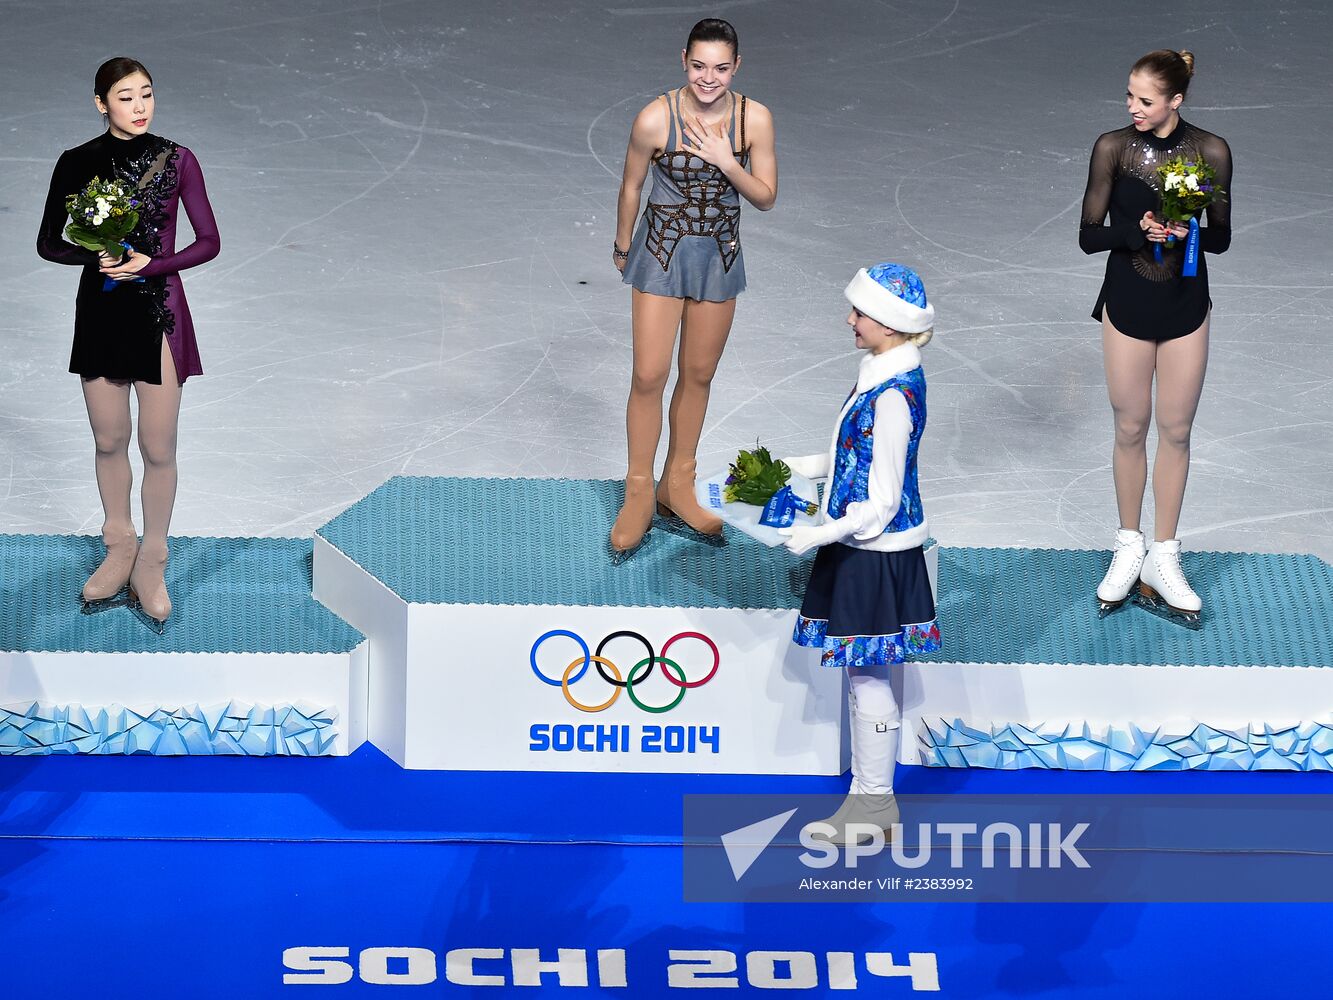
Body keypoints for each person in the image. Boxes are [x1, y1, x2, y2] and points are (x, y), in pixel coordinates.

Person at [36, 57, 220, 633]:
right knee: (109, 439)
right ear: (101, 104)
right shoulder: (76, 163)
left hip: (159, 311)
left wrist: (152, 264)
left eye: (146, 95)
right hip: (102, 313)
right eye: (125, 97)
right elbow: (49, 243)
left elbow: (209, 241)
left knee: (158, 445)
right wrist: (96, 256)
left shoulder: (178, 160)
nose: (139, 107)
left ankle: (152, 560)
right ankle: (118, 544)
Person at [779, 263, 943, 842]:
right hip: (857, 543)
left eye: (862, 312)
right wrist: (800, 468)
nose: (850, 319)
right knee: (864, 677)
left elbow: (883, 500)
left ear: (893, 326)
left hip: (872, 550)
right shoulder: (878, 374)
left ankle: (875, 806)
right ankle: (867, 799)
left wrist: (818, 534)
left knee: (869, 680)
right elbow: (853, 458)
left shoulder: (894, 397)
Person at [609, 17, 778, 559]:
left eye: (721, 68)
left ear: (737, 67)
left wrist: (728, 161)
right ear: (684, 59)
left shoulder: (755, 119)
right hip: (661, 252)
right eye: (700, 65)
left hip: (719, 256)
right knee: (649, 373)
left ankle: (676, 483)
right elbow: (632, 183)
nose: (710, 78)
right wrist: (620, 247)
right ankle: (638, 491)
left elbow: (767, 196)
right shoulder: (656, 118)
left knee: (699, 374)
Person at [1079, 49, 1231, 628]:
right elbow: (1088, 235)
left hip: (1186, 308)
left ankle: (1164, 556)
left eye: (1145, 100)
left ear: (1176, 101)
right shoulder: (1112, 149)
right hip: (1128, 304)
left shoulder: (1210, 151)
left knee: (1176, 430)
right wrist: (1136, 231)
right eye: (1129, 97)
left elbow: (1220, 239)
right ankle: (1128, 547)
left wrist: (1189, 226)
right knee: (1129, 426)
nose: (1133, 108)